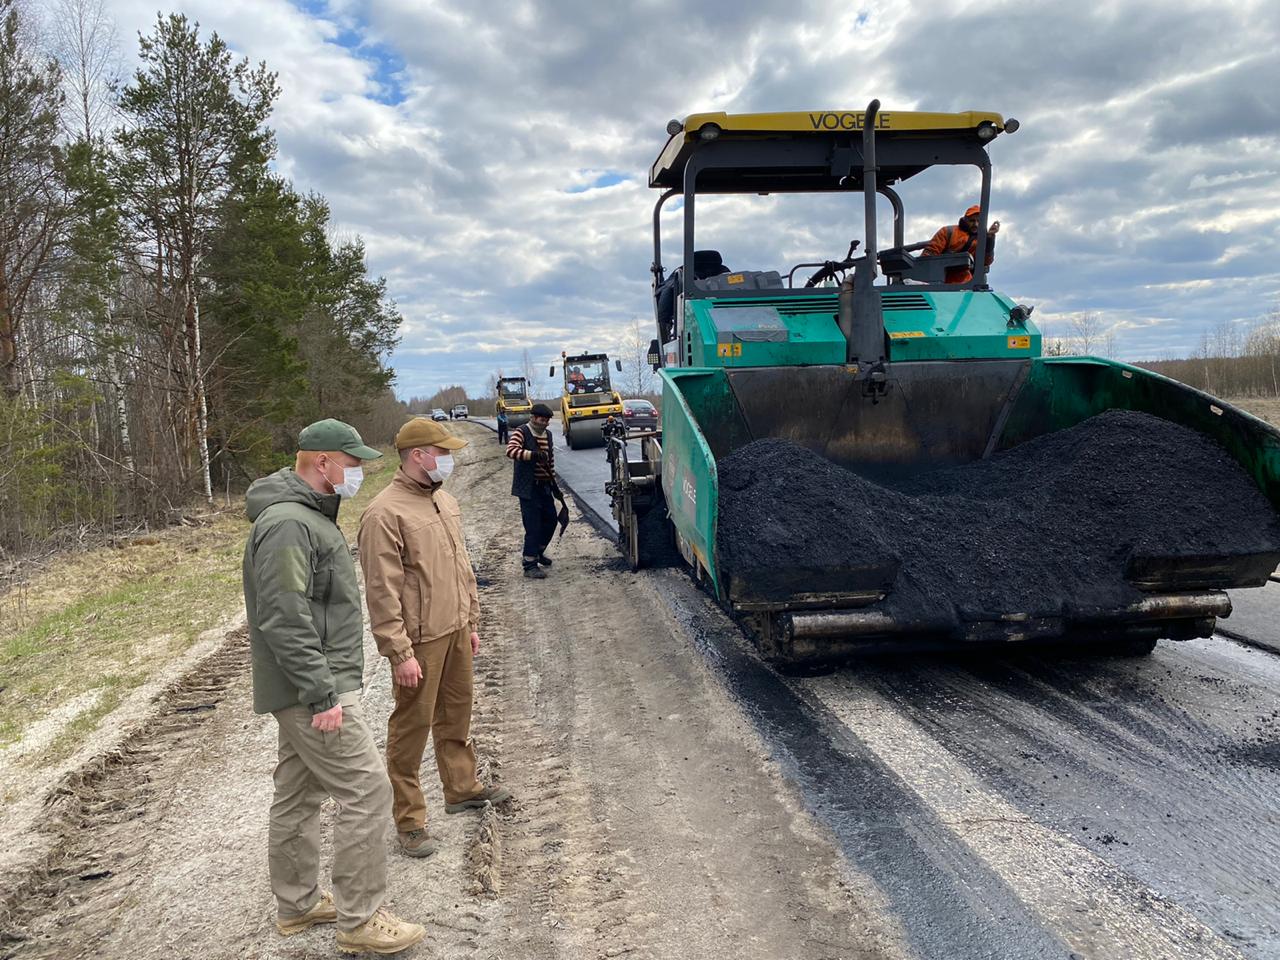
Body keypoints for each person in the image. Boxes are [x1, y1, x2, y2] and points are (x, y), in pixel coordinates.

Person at [242, 418, 425, 955]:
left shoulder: (308, 516)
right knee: (367, 791)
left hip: (309, 684)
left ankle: (297, 905)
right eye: (354, 462)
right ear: (322, 462)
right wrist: (322, 693)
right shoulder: (288, 524)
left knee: (297, 793)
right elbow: (283, 615)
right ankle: (360, 919)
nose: (362, 471)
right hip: (312, 691)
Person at [358, 416, 512, 859]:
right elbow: (381, 591)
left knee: (457, 715)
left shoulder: (443, 501)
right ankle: (410, 821)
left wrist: (471, 621)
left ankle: (462, 789)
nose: (449, 458)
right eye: (442, 452)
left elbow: (461, 568)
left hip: (455, 629)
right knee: (411, 728)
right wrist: (399, 652)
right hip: (419, 640)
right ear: (419, 456)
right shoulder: (384, 513)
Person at [506, 403, 557, 579]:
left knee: (551, 520)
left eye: (548, 421)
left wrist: (553, 484)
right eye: (543, 420)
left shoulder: (548, 435)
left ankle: (538, 551)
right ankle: (529, 564)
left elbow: (550, 460)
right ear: (533, 418)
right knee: (533, 525)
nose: (545, 424)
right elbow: (511, 451)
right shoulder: (522, 432)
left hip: (544, 486)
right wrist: (533, 455)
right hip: (528, 488)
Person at [921, 204, 1000, 284]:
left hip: (964, 285)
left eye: (979, 221)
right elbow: (928, 256)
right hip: (939, 281)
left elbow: (985, 262)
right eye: (972, 221)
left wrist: (990, 238)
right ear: (965, 220)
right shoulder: (948, 232)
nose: (975, 224)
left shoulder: (982, 240)